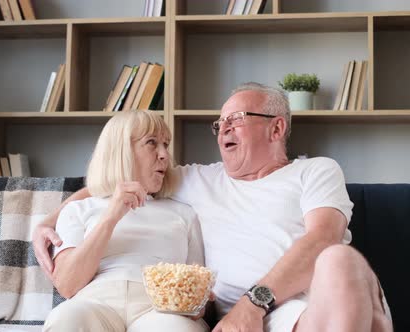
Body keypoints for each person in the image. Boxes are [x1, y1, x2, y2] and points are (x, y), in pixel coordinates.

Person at [34, 82, 393, 332]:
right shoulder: (199, 180)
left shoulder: (315, 170)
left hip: (310, 302)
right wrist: (48, 220)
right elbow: (122, 180)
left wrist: (253, 304)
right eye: (219, 123)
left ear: (276, 128)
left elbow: (322, 240)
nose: (223, 129)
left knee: (339, 259)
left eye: (236, 119)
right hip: (247, 322)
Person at [42, 110, 209, 332]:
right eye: (152, 143)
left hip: (160, 309)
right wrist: (111, 216)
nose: (164, 155)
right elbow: (67, 285)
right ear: (121, 151)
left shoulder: (184, 213)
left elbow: (197, 295)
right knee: (66, 318)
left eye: (165, 145)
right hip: (95, 302)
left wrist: (197, 302)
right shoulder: (78, 209)